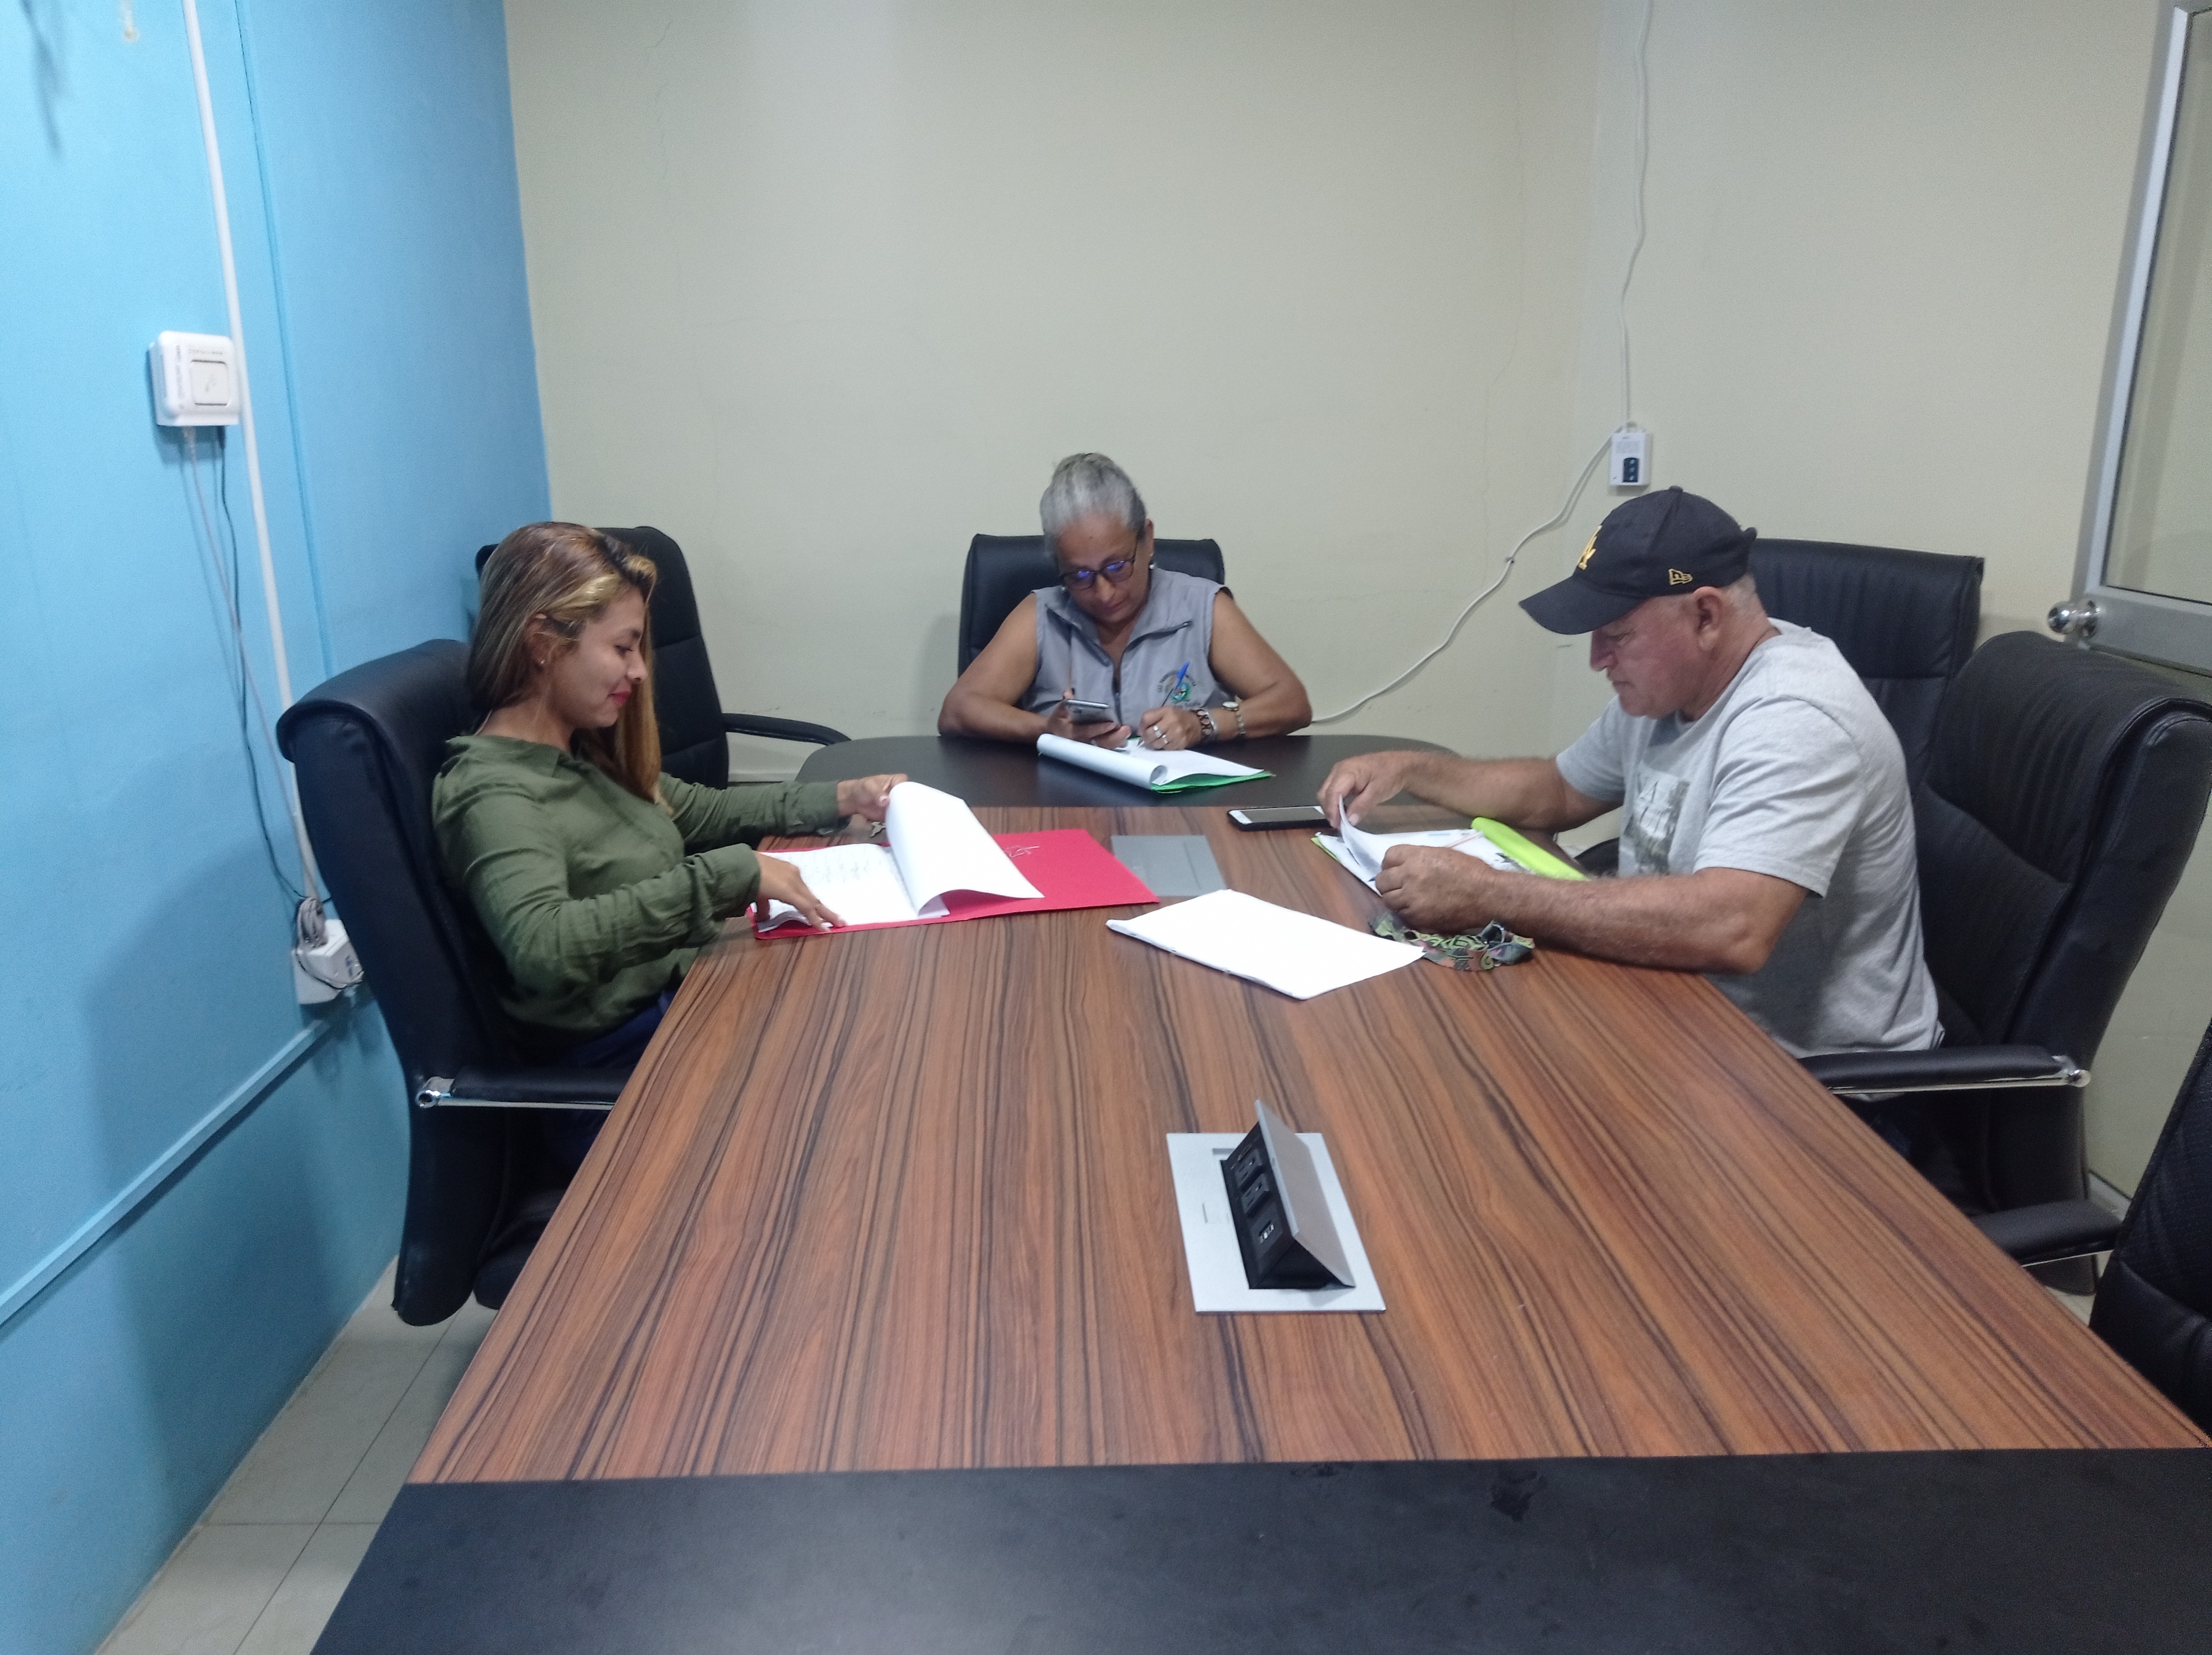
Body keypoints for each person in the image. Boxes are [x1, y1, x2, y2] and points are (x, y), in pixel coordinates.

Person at [1319, 487, 1938, 1060]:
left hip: (1809, 1079)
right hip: (1675, 1010)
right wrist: (1414, 769)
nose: (1597, 660)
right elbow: (1558, 790)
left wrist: (1489, 894)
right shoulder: (1674, 686)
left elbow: (1732, 927)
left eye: (1617, 635)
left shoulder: (1796, 717)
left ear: (1705, 616)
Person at [434, 523, 906, 1108]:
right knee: (860, 1080)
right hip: (627, 1065)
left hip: (683, 1000)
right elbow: (544, 946)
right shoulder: (493, 791)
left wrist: (846, 797)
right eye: (622, 648)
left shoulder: (581, 754)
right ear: (543, 642)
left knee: (869, 1021)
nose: (639, 672)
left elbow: (706, 809)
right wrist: (722, 878)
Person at [938, 453, 1312, 751]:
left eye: (1117, 567)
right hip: (1067, 804)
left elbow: (1291, 702)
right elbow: (958, 711)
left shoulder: (1203, 607)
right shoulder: (1043, 614)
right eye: (1080, 575)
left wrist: (1205, 723)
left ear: (1147, 539)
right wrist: (1047, 730)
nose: (1104, 593)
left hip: (1185, 807)